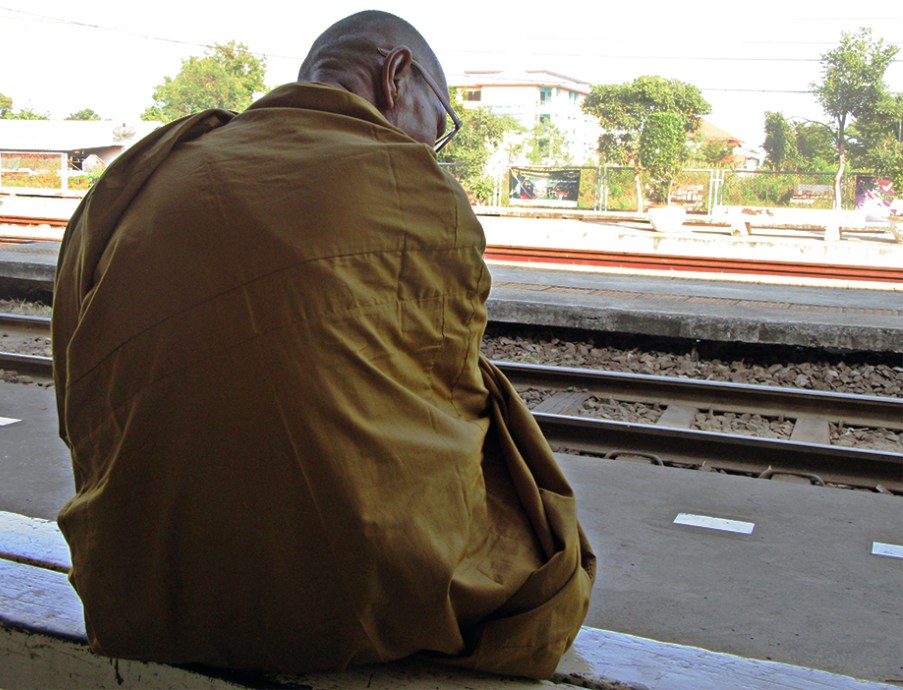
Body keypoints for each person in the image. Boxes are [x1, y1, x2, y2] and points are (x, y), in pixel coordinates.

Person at [51, 10, 595, 680]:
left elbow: (77, 398)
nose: (431, 144)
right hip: (364, 594)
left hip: (141, 584)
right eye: (439, 120)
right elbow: (449, 394)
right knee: (532, 518)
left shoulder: (142, 175)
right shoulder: (411, 180)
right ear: (397, 76)